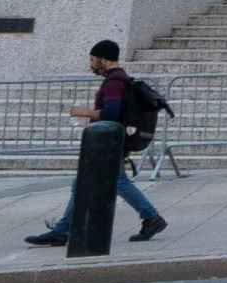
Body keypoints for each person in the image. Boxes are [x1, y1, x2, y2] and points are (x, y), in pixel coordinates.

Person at [24, 42, 168, 247]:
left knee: (115, 182)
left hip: (108, 141)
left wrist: (85, 112)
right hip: (112, 140)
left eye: (93, 60)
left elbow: (111, 112)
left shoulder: (113, 83)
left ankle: (151, 218)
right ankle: (63, 229)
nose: (91, 64)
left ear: (105, 59)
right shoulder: (120, 79)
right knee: (87, 183)